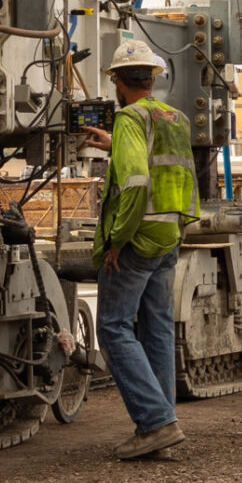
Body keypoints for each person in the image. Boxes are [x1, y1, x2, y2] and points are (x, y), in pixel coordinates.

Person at [85, 39, 199, 458]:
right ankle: (163, 427)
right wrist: (113, 143)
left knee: (113, 328)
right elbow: (172, 170)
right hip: (168, 234)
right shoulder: (175, 117)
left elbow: (135, 183)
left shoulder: (129, 118)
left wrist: (116, 240)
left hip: (136, 239)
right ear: (152, 78)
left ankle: (155, 423)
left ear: (118, 81)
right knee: (157, 329)